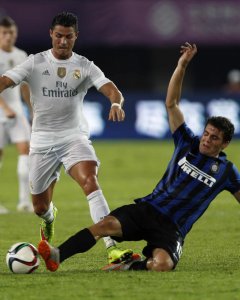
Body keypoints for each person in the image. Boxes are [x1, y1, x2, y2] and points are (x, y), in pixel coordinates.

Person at [37, 42, 240, 272]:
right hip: (148, 210)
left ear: (224, 143)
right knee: (104, 226)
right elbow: (171, 103)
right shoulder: (187, 142)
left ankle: (130, 266)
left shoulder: (227, 171)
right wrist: (181, 66)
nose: (206, 139)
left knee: (162, 265)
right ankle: (57, 254)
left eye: (214, 138)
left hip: (172, 229)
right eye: (206, 133)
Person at [0, 11, 135, 263]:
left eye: (68, 37)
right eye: (59, 36)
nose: (63, 41)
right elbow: (6, 81)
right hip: (41, 141)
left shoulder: (84, 65)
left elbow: (111, 89)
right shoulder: (35, 62)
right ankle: (50, 218)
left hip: (74, 138)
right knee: (39, 207)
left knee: (90, 182)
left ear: (76, 37)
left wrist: (116, 104)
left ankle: (112, 247)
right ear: (51, 34)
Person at [0, 16, 32, 213]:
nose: (8, 36)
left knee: (25, 151)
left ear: (16, 34)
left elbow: (25, 86)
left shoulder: (21, 55)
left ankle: (24, 200)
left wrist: (31, 109)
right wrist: (5, 108)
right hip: (2, 110)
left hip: (17, 110)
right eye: (4, 33)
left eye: (11, 32)